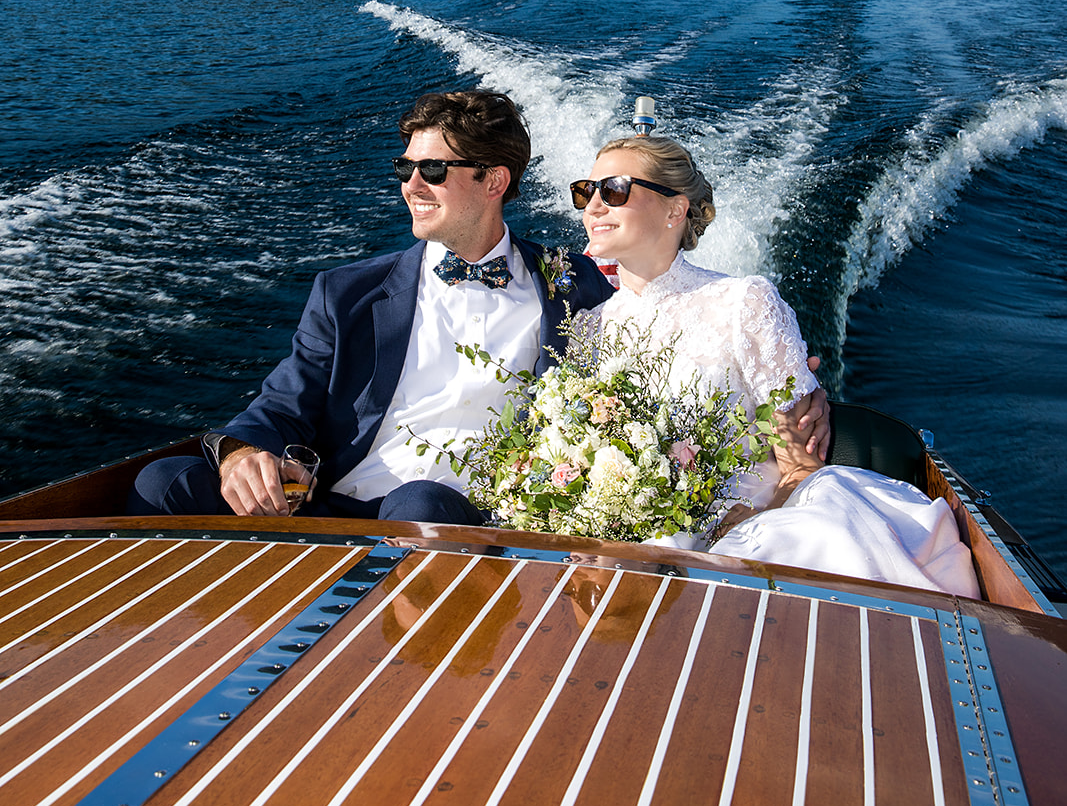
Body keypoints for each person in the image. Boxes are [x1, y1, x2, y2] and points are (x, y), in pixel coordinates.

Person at [130, 89, 615, 524]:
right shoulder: (345, 293)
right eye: (406, 168)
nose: (412, 185)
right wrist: (240, 453)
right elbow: (281, 405)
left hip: (459, 515)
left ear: (493, 181)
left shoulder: (571, 284)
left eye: (433, 170)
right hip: (332, 503)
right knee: (162, 482)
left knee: (419, 503)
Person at [571, 133, 979, 597]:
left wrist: (749, 524)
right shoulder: (588, 329)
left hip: (742, 532)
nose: (594, 205)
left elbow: (799, 465)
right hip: (627, 545)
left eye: (615, 189)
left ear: (674, 210)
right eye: (587, 190)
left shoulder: (743, 303)